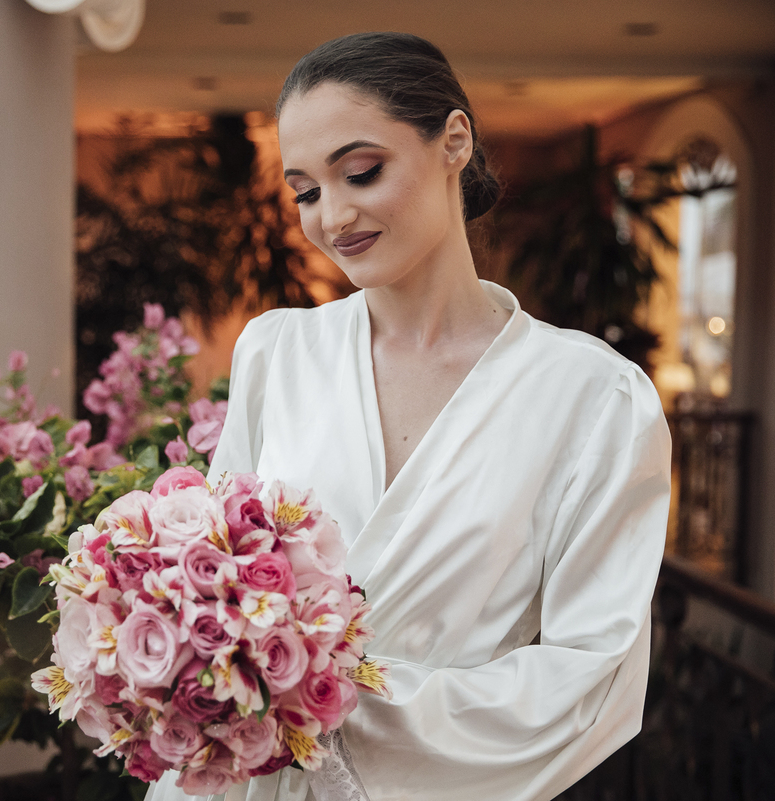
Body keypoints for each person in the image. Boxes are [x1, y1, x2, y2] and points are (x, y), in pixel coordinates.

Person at [145, 31, 672, 801]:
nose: (333, 215)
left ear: (453, 141)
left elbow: (591, 674)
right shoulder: (276, 351)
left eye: (361, 171)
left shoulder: (595, 397)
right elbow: (215, 586)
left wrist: (328, 693)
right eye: (305, 190)